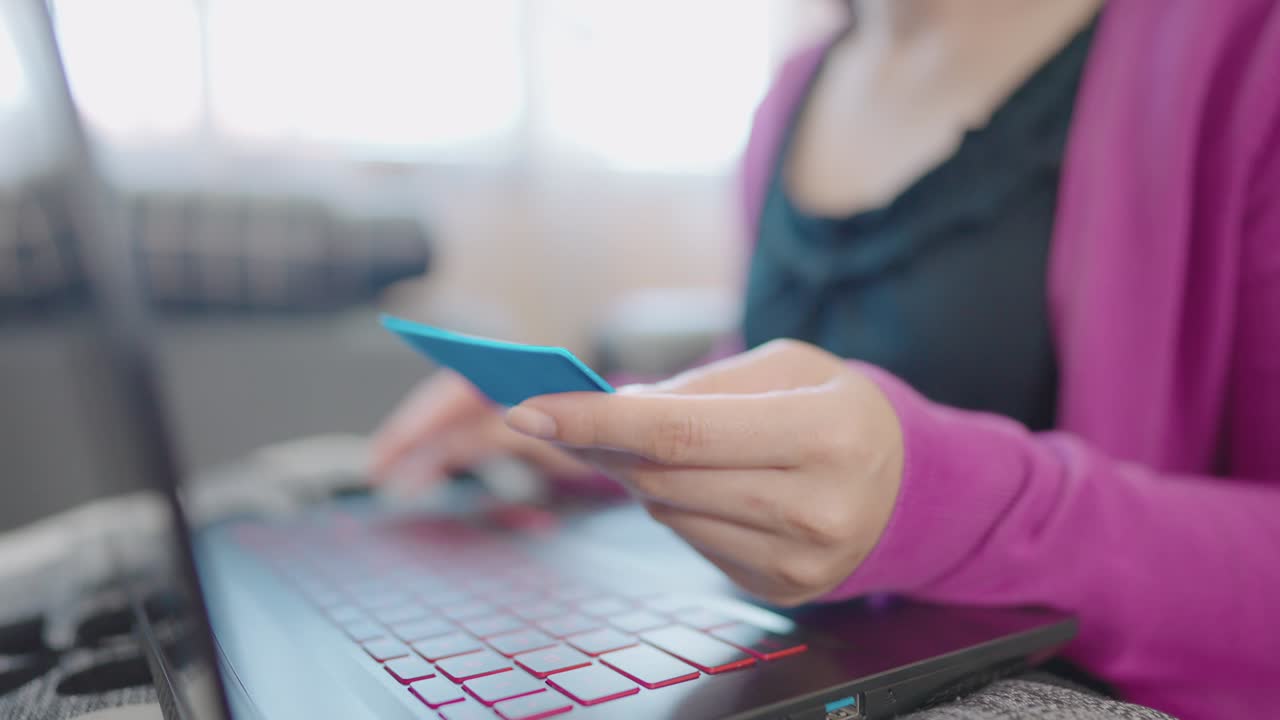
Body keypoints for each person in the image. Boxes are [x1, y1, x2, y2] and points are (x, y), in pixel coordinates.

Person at [370, 1, 1280, 717]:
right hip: (784, 664)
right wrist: (595, 428)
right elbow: (784, 387)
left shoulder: (1244, 51)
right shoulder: (792, 93)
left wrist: (951, 499)